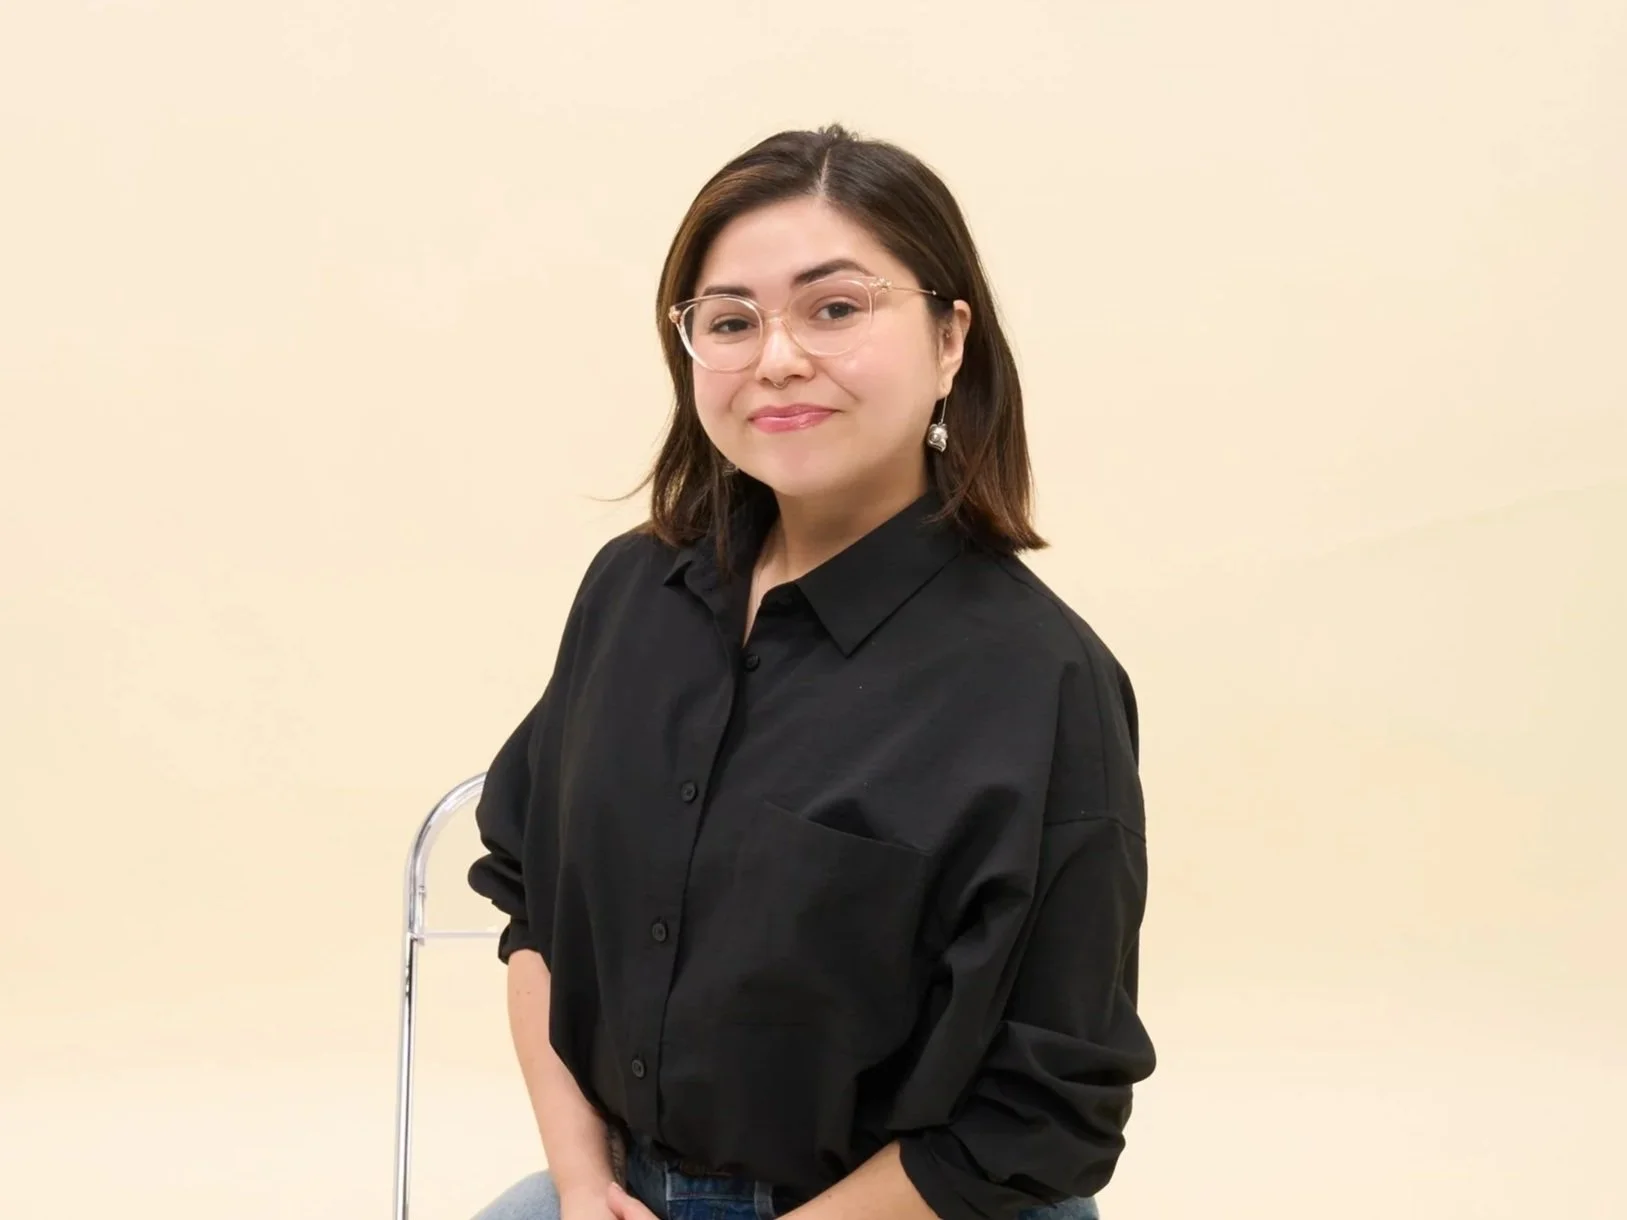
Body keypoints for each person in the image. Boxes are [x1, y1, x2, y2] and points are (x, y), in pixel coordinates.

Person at [465, 124, 1155, 1220]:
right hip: (621, 1186)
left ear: (948, 337)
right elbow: (529, 905)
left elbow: (1042, 1108)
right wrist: (587, 1183)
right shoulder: (630, 592)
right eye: (730, 321)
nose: (776, 356)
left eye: (835, 308)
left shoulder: (1041, 679)